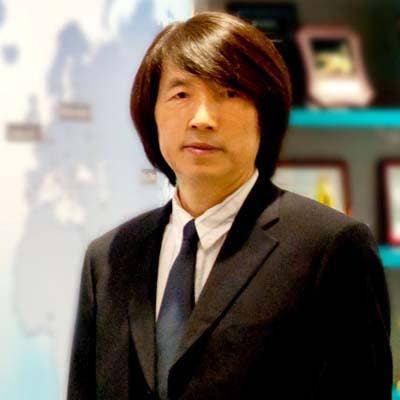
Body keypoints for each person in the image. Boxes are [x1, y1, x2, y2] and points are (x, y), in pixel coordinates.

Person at [67, 11, 392, 400]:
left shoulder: (329, 247)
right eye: (181, 94)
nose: (202, 118)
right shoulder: (108, 259)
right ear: (151, 113)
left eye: (230, 93)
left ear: (265, 115)